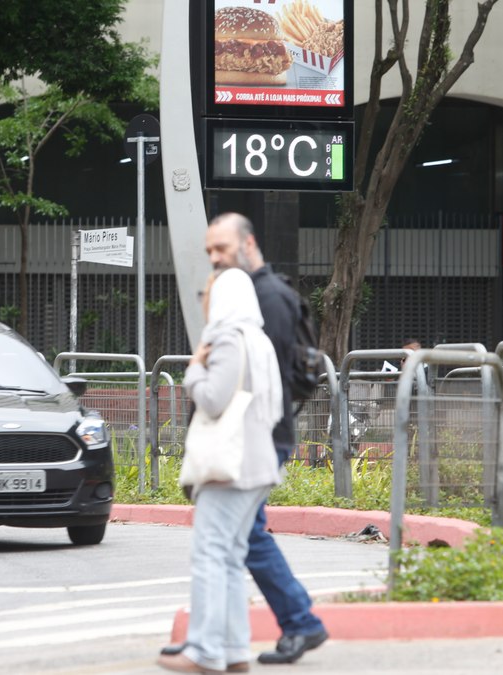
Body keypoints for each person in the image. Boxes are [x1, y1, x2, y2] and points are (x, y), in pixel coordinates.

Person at [164, 212, 330, 665]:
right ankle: (230, 638)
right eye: (210, 252)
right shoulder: (251, 298)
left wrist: (200, 375)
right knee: (239, 540)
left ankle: (291, 623)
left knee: (236, 540)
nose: (214, 259)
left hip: (253, 437)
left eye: (221, 249)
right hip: (254, 436)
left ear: (248, 243)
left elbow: (252, 382)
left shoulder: (265, 300)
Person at [157, 268, 283, 674]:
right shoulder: (258, 339)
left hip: (230, 466)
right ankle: (233, 650)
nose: (204, 300)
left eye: (207, 292)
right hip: (255, 463)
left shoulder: (227, 338)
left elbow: (212, 399)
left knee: (210, 553)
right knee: (230, 557)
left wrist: (193, 369)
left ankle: (207, 650)